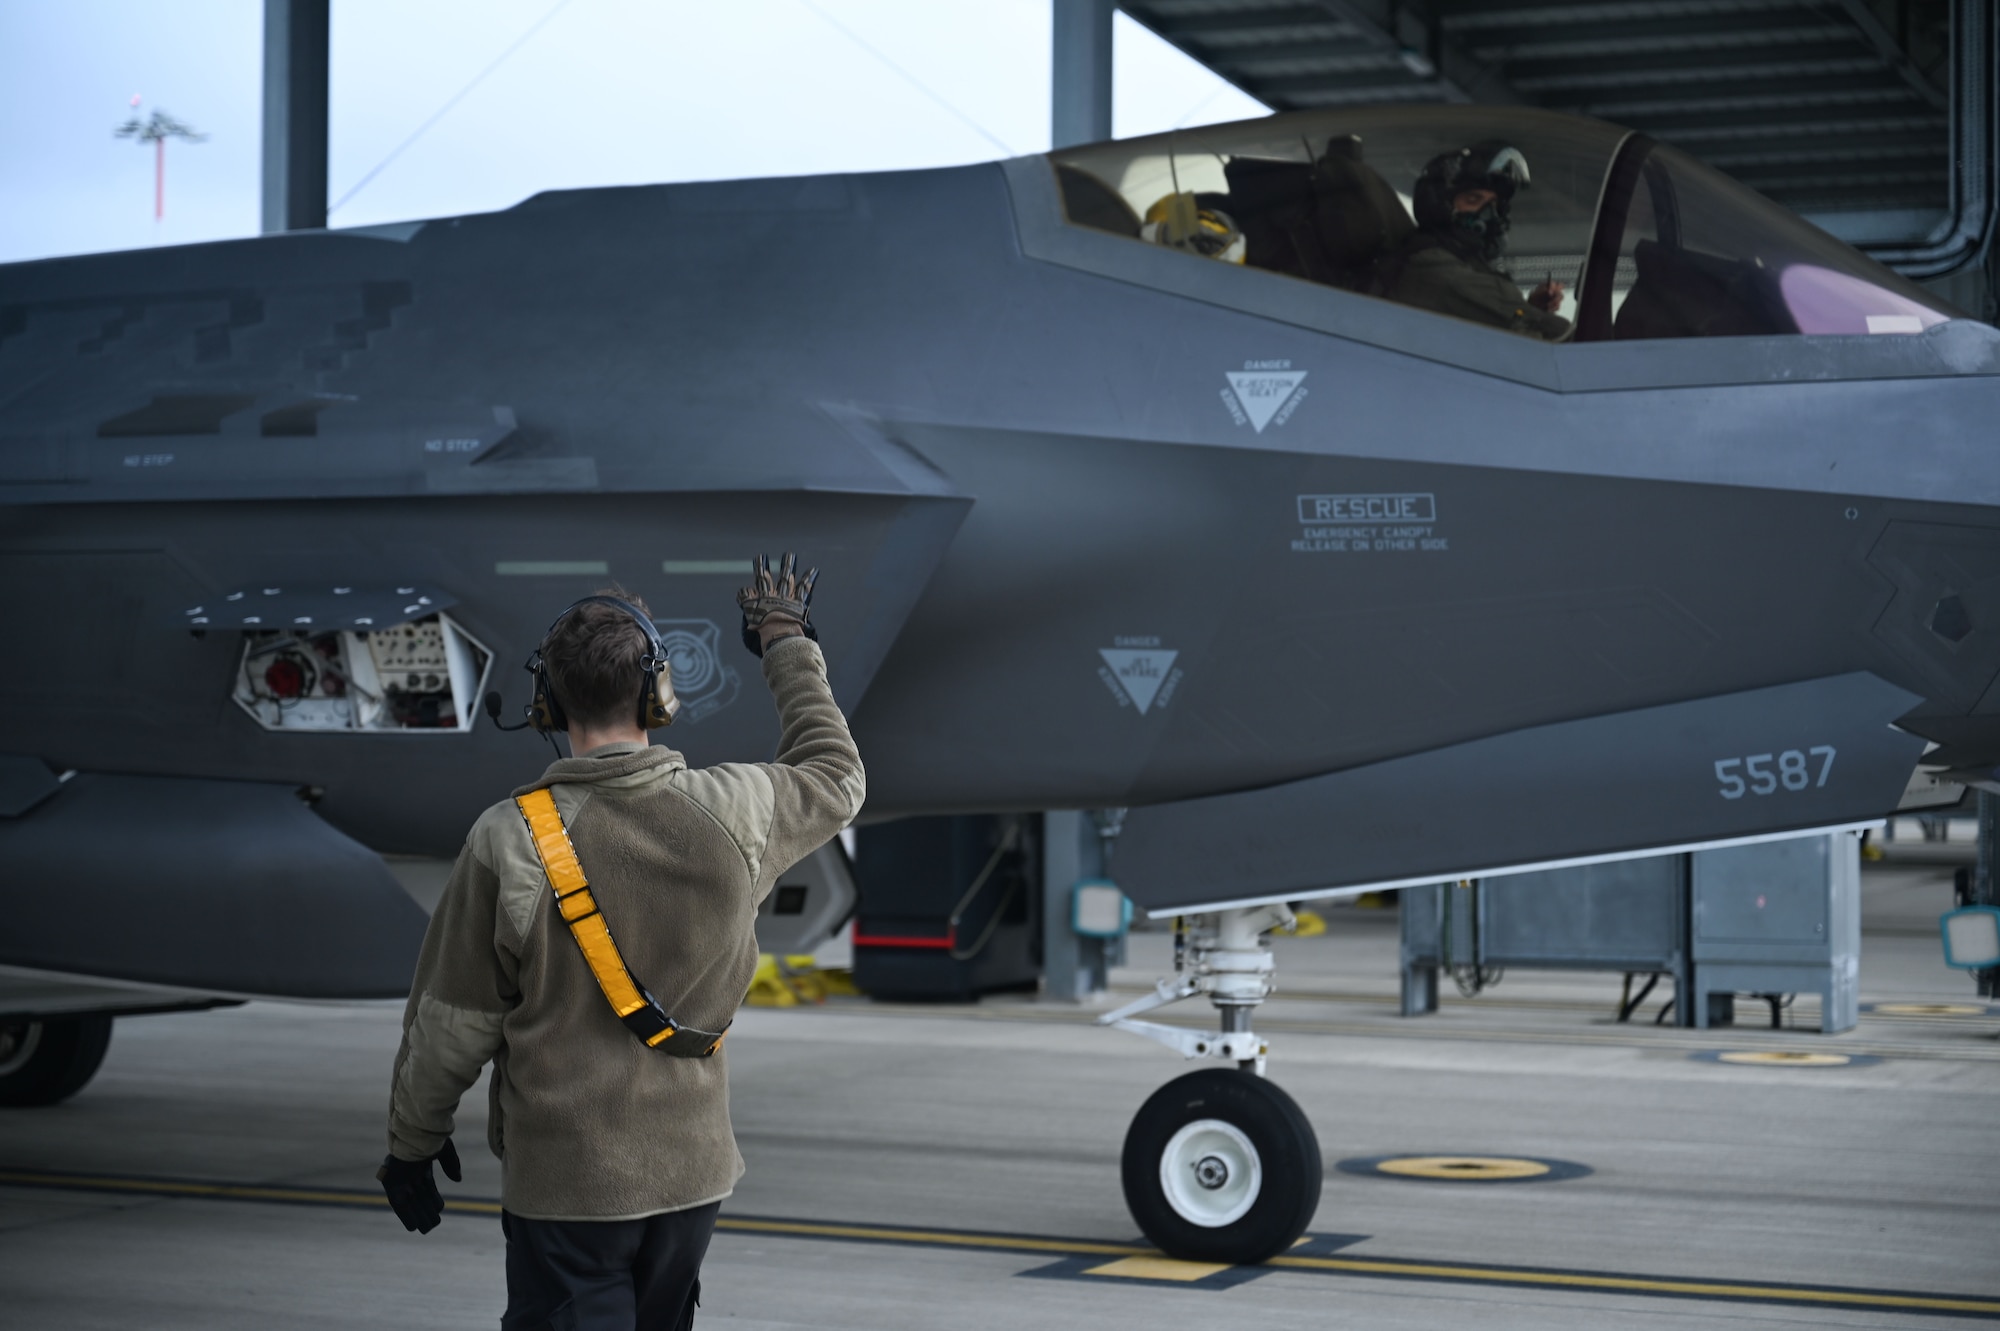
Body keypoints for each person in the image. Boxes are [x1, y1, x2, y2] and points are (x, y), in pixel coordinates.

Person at [377, 554, 864, 1330]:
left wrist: (412, 1144)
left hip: (568, 1186)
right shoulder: (738, 810)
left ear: (546, 702)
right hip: (692, 1179)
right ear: (659, 694)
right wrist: (783, 639)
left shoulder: (510, 840)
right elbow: (836, 772)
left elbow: (451, 1022)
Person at [1382, 141, 1570, 340]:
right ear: (1438, 205)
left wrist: (1529, 309)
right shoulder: (1434, 267)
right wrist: (1535, 317)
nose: (1489, 215)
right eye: (1473, 200)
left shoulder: (1457, 263)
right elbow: (1557, 336)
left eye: (1493, 204)